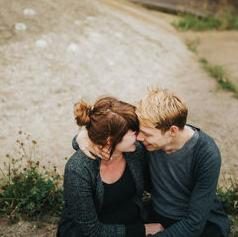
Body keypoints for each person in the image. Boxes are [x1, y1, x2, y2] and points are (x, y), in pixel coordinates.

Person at [80, 89, 230, 237]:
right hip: (157, 216)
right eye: (139, 131)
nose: (139, 138)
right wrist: (82, 137)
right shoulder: (147, 143)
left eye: (147, 134)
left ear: (172, 131)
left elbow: (195, 223)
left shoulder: (206, 154)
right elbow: (110, 129)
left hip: (200, 224)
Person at [57, 96, 164, 237]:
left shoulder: (134, 151)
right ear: (110, 140)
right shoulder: (78, 170)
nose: (139, 137)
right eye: (134, 133)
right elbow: (91, 231)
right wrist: (143, 230)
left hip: (132, 221)